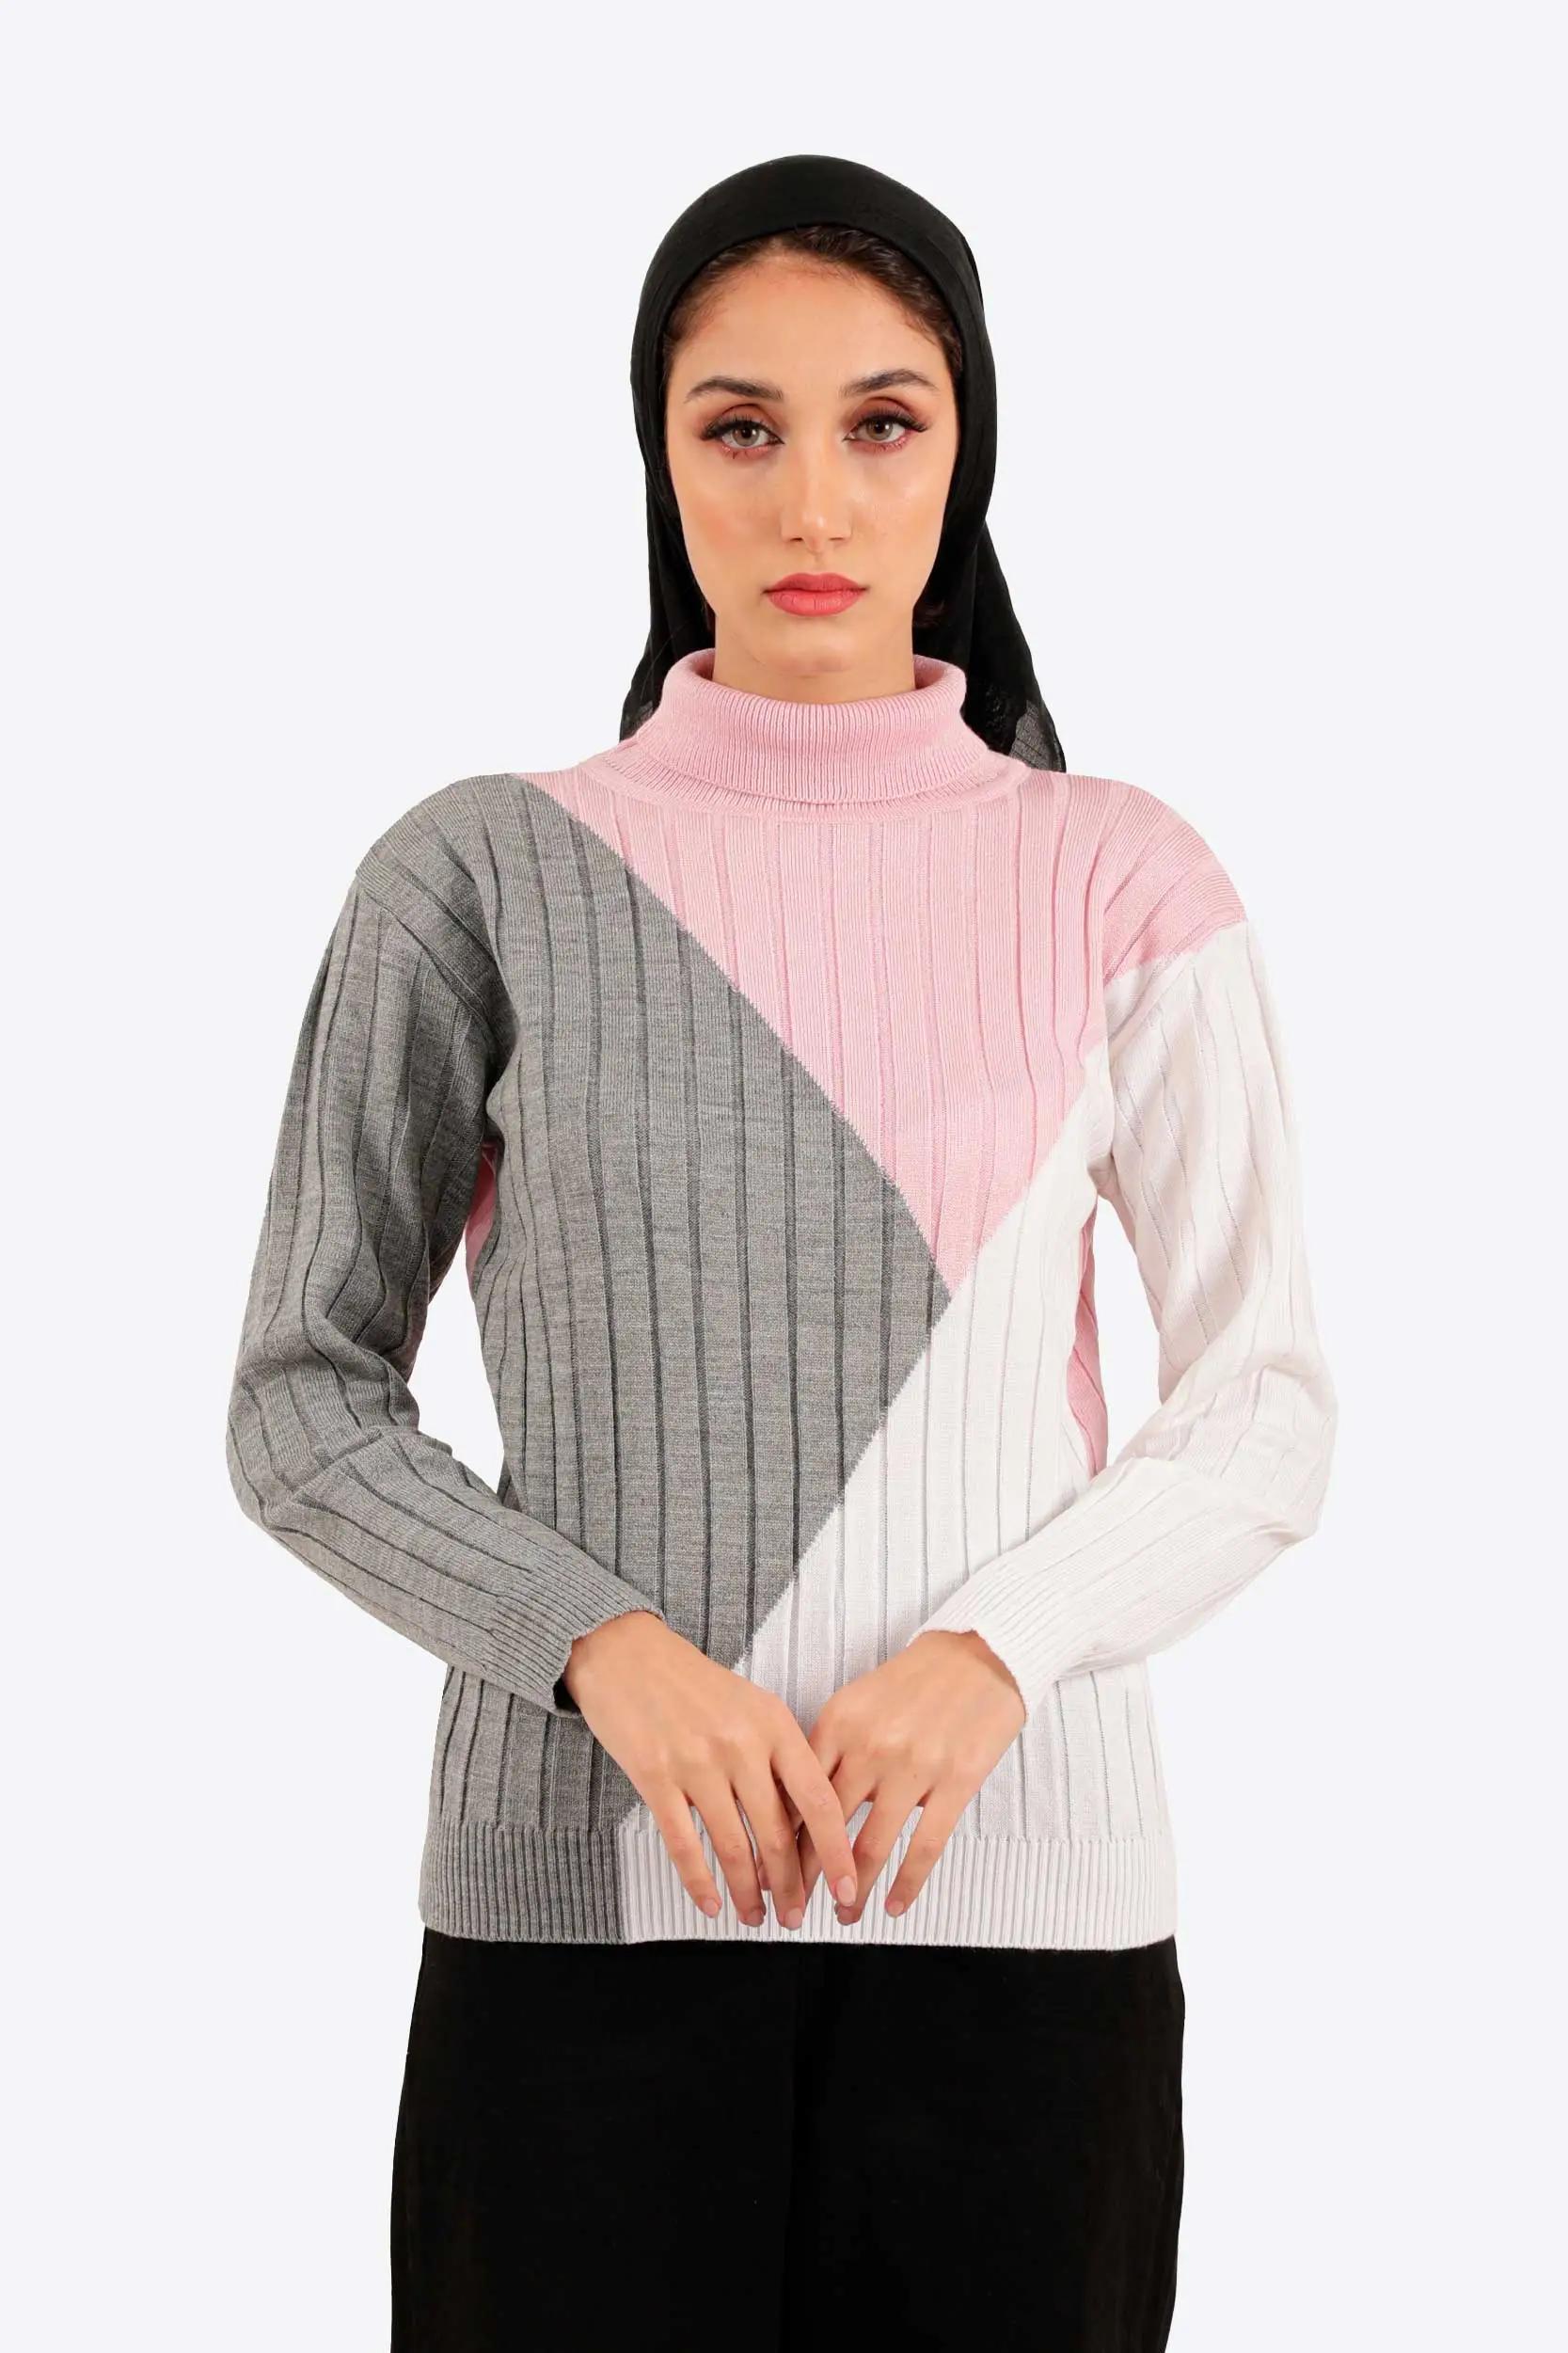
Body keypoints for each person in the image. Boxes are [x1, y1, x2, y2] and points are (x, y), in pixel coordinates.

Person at [224, 152, 1337, 2351]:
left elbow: (1266, 1404)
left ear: (966, 449)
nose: (812, 498)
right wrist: (598, 1649)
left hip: (1024, 1940)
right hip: (578, 1937)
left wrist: (999, 1648)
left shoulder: (1119, 874)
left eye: (882, 422)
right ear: (659, 453)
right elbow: (301, 1404)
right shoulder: (481, 872)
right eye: (740, 426)